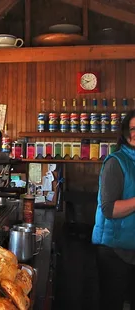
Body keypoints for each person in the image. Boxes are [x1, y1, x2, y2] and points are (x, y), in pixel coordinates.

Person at [92, 110, 135, 310]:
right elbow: (109, 209)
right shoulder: (115, 162)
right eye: (133, 128)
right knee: (112, 304)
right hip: (115, 251)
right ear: (126, 133)